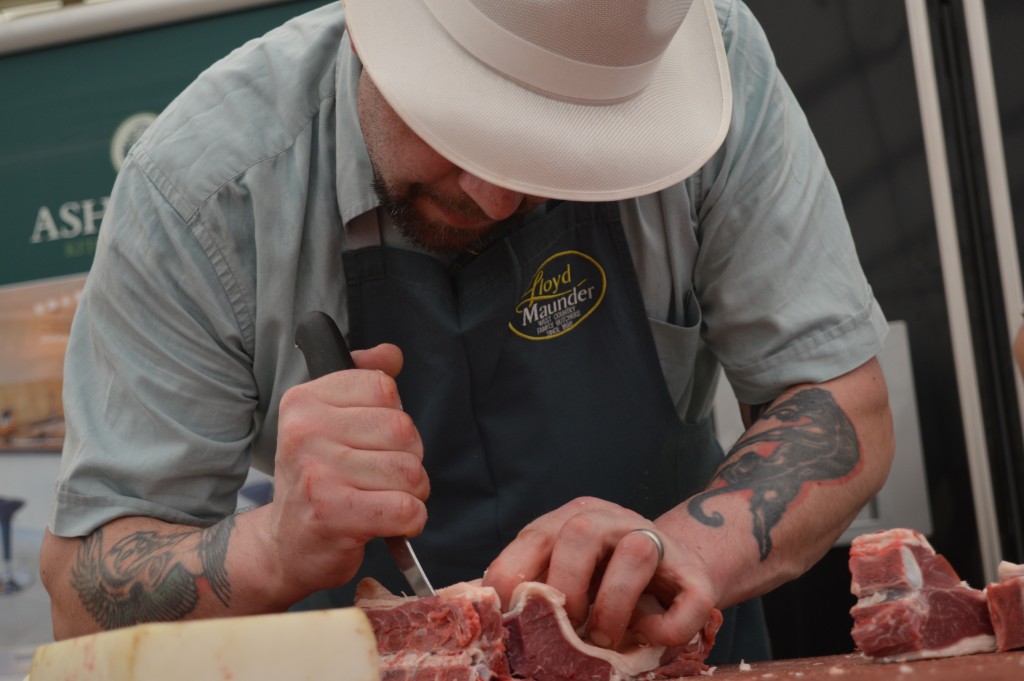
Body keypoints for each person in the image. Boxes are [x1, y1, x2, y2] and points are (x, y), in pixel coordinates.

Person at [39, 0, 894, 664]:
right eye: (459, 128)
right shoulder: (203, 192)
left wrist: (683, 550)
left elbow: (840, 404)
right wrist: (275, 543)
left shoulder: (702, 70)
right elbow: (80, 594)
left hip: (666, 663)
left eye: (557, 151)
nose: (491, 197)